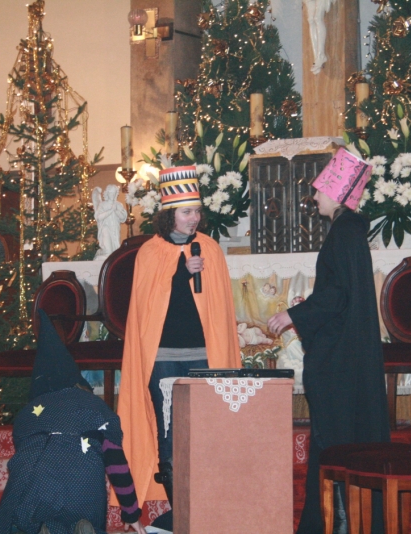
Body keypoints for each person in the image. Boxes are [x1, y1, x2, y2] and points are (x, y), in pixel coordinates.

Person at [268, 152, 390, 534]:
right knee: (336, 442)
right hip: (348, 355)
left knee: (335, 445)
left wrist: (293, 315)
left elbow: (336, 295)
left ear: (338, 194)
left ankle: (338, 525)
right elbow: (342, 294)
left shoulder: (344, 231)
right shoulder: (349, 230)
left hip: (341, 362)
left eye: (321, 188)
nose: (316, 194)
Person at [118, 165, 241, 522]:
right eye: (187, 212)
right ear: (169, 214)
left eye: (197, 211)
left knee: (205, 432)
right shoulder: (150, 252)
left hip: (204, 355)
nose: (194, 218)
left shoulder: (211, 249)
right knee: (169, 434)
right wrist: (182, 273)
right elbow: (149, 307)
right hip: (164, 358)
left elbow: (219, 310)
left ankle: (207, 506)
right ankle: (181, 512)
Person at [0, 310, 146, 534]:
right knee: (79, 493)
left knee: (18, 514)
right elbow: (116, 464)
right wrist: (131, 514)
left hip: (35, 491)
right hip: (84, 491)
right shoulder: (95, 406)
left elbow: (22, 463)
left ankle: (40, 527)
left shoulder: (27, 414)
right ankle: (80, 525)